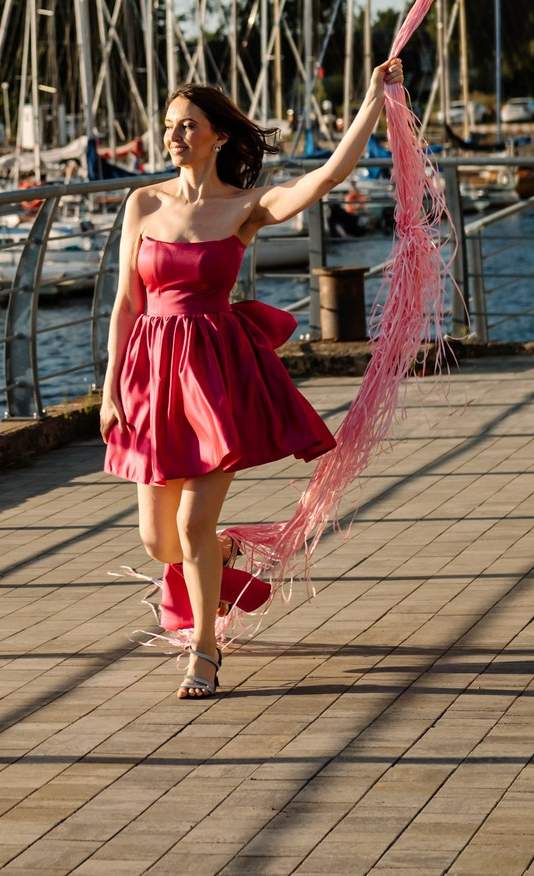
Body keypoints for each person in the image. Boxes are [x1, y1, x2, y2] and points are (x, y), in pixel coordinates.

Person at [100, 58, 404, 700]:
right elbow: (127, 304)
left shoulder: (245, 207)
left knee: (188, 529)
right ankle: (227, 556)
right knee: (158, 542)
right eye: (169, 126)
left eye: (188, 125)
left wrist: (374, 99)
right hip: (151, 379)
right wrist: (107, 391)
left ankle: (204, 653)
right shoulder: (142, 203)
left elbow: (326, 177)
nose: (175, 135)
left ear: (218, 137)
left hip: (216, 380)